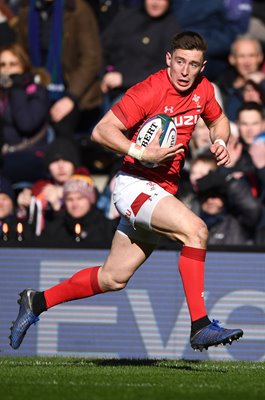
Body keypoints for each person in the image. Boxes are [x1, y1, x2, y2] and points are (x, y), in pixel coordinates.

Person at [9, 31, 243, 352]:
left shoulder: (202, 89)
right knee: (196, 231)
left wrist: (219, 140)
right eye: (179, 62)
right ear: (168, 60)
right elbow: (101, 130)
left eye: (192, 64)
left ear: (202, 68)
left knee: (113, 279)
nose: (185, 71)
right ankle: (200, 325)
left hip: (161, 191)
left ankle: (36, 301)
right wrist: (143, 153)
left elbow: (219, 120)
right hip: (133, 185)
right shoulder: (149, 91)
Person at [16, 0, 102, 139]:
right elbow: (22, 54)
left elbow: (91, 59)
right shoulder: (27, 9)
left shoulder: (76, 9)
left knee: (61, 130)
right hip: (37, 86)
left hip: (73, 90)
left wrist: (70, 97)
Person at [17, 137, 89, 236]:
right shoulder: (39, 190)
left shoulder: (87, 188)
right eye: (54, 161)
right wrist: (23, 209)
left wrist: (60, 204)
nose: (60, 166)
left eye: (66, 160)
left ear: (74, 164)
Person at [0, 43, 50, 185]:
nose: (7, 69)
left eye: (13, 64)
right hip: (6, 156)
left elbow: (26, 124)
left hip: (31, 155)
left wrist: (17, 88)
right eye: (3, 65)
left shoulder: (36, 90)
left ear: (24, 65)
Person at [41, 173, 117, 248]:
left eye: (80, 198)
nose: (75, 204)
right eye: (69, 199)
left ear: (91, 200)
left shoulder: (107, 228)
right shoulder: (57, 225)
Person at [216, 34, 265, 121]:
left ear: (260, 57)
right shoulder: (222, 86)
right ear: (232, 59)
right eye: (241, 56)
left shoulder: (263, 84)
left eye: (252, 55)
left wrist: (262, 84)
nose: (247, 62)